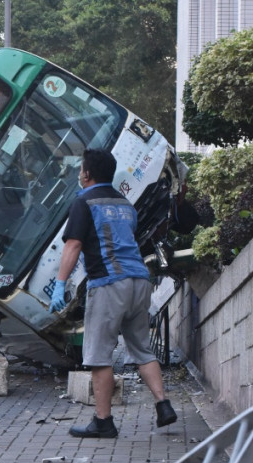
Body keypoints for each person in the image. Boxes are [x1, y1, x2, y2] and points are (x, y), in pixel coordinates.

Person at [49, 148, 177, 438]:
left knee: (98, 356)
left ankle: (103, 421)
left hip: (108, 284)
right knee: (142, 348)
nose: (79, 174)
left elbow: (73, 245)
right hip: (139, 281)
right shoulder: (124, 204)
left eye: (81, 169)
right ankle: (163, 404)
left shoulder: (83, 202)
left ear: (87, 173)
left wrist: (60, 282)